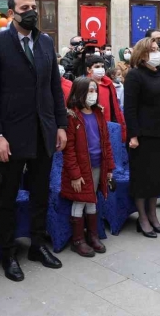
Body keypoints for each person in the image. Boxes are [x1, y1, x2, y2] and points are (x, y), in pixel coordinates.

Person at [0, 0, 67, 282]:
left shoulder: (45, 42)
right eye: (24, 7)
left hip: (43, 132)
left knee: (41, 192)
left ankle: (37, 245)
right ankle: (7, 253)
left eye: (34, 7)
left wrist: (60, 125)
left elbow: (54, 88)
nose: (31, 11)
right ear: (11, 14)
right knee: (6, 197)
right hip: (11, 136)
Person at [61, 78, 115, 257]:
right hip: (81, 169)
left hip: (98, 165)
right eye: (90, 91)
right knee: (80, 200)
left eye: (95, 91)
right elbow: (68, 150)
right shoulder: (72, 116)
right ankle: (78, 240)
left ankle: (92, 235)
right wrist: (75, 175)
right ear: (79, 93)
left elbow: (106, 142)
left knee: (92, 199)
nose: (93, 94)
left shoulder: (98, 113)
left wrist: (109, 169)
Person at [124, 37, 160, 238]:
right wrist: (133, 135)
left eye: (157, 48)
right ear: (141, 54)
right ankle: (142, 218)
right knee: (143, 178)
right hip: (142, 135)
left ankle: (153, 214)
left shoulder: (159, 72)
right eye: (151, 49)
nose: (156, 52)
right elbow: (130, 108)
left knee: (156, 176)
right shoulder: (135, 75)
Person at [85, 55, 126, 142]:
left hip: (109, 124)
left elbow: (116, 107)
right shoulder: (84, 85)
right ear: (89, 70)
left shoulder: (109, 85)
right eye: (97, 67)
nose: (100, 69)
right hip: (91, 127)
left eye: (102, 66)